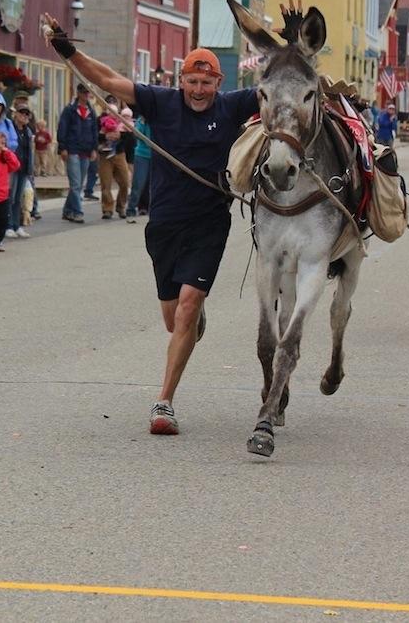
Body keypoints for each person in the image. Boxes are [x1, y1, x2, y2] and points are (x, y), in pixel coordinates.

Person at [47, 21, 258, 436]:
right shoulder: (160, 102)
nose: (199, 90)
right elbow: (107, 78)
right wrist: (66, 50)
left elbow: (283, 89)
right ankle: (189, 318)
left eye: (207, 82)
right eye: (192, 81)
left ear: (219, 82)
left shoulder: (234, 105)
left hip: (209, 222)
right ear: (182, 81)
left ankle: (164, 402)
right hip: (163, 225)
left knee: (187, 306)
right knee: (173, 319)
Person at [57, 83, 98, 223]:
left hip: (86, 151)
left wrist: (94, 148)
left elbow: (94, 131)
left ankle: (68, 210)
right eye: (85, 92)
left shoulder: (91, 111)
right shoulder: (69, 110)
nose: (87, 95)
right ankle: (78, 211)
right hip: (72, 149)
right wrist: (62, 147)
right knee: (75, 183)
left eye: (89, 92)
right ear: (79, 93)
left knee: (79, 184)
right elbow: (62, 128)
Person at [96, 106, 131, 219]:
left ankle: (121, 206)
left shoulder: (123, 122)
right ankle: (107, 208)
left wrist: (121, 135)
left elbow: (131, 138)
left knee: (125, 181)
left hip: (119, 154)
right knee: (106, 183)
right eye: (110, 112)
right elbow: (94, 135)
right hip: (105, 155)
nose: (113, 114)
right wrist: (104, 136)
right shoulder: (100, 121)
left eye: (115, 112)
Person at [8, 106, 35, 238]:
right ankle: (8, 225)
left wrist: (30, 168)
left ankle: (16, 225)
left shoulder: (28, 131)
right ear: (16, 114)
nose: (24, 116)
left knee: (19, 198)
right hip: (12, 167)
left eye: (27, 114)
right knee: (10, 197)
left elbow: (30, 151)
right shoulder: (10, 128)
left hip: (24, 167)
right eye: (22, 113)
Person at [125, 111, 152, 224]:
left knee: (154, 185)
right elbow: (137, 133)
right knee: (138, 183)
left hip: (157, 155)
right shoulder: (142, 119)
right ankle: (131, 210)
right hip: (142, 154)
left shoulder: (161, 117)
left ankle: (152, 211)